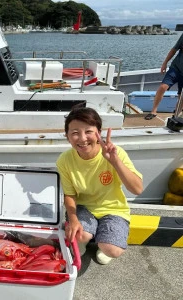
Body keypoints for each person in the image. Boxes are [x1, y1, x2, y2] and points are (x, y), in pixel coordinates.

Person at [56, 107, 143, 265]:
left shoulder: (117, 153)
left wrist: (115, 161)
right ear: (67, 137)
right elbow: (69, 195)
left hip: (113, 208)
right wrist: (74, 220)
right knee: (80, 235)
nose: (82, 139)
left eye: (88, 131)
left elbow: (137, 189)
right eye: (75, 133)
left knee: (113, 250)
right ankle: (83, 239)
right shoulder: (64, 160)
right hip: (84, 207)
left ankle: (102, 243)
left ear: (99, 133)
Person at [145, 33, 183, 120]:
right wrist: (164, 63)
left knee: (182, 96)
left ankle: (176, 115)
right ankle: (153, 111)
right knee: (163, 87)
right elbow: (174, 49)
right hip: (175, 68)